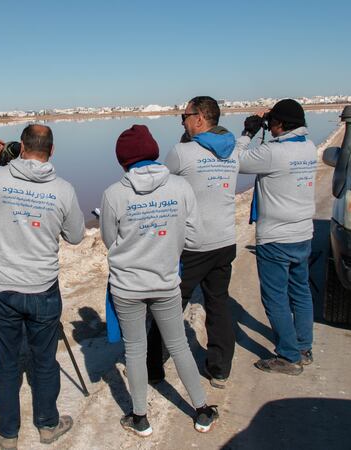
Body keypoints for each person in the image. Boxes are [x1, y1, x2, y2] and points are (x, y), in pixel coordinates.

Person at [0, 124, 84, 450]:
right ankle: (47, 425)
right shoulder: (64, 189)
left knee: (6, 363)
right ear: (52, 151)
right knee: (44, 361)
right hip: (43, 288)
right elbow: (76, 236)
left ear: (23, 147)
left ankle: (8, 432)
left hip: (4, 291)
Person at [100, 124, 219, 437]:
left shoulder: (114, 194)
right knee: (179, 345)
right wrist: (167, 243)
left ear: (123, 160)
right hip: (166, 282)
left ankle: (140, 418)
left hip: (127, 287)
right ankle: (203, 410)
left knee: (135, 350)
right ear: (153, 152)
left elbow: (110, 240)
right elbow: (193, 235)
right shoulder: (180, 187)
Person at [146, 96, 238, 389]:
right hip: (224, 241)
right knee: (218, 303)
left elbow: (156, 185)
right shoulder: (233, 151)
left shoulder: (182, 152)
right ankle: (220, 368)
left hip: (193, 245)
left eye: (184, 116)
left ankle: (152, 365)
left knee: (169, 304)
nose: (182, 121)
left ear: (199, 119)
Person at [236, 99, 317, 376]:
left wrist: (247, 133)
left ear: (280, 123)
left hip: (276, 237)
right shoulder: (308, 146)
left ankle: (289, 356)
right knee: (301, 292)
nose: (269, 125)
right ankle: (304, 347)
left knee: (276, 298)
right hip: (302, 233)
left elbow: (235, 162)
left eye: (272, 121)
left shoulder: (273, 152)